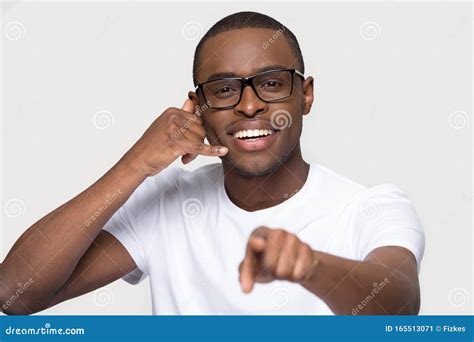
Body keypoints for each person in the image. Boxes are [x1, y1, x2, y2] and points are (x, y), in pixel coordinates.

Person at [0, 11, 425, 315]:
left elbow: (400, 309)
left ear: (306, 95)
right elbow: (14, 294)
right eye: (224, 90)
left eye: (272, 83)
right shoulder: (166, 204)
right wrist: (135, 165)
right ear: (197, 107)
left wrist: (311, 267)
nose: (251, 105)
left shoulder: (370, 207)